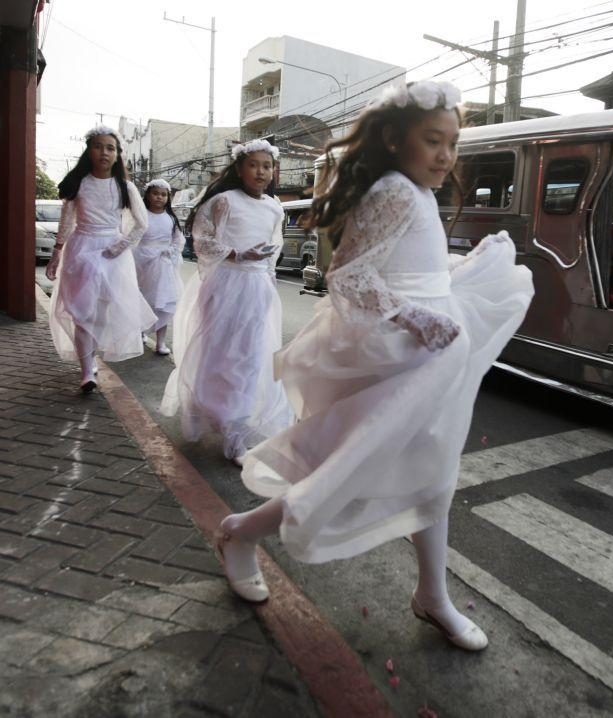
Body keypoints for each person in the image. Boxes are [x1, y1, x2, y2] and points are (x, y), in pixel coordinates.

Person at [215, 80, 534, 652]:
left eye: (452, 143)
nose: (446, 156)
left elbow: (409, 271)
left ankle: (431, 596)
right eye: (433, 141)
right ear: (392, 139)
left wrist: (459, 268)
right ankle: (240, 533)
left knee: (430, 475)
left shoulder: (414, 190)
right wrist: (417, 318)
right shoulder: (396, 191)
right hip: (406, 357)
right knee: (356, 468)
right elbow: (349, 279)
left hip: (427, 356)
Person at [160, 140, 293, 466]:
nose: (261, 172)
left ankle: (236, 432)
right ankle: (206, 407)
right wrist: (235, 254)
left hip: (258, 288)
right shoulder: (223, 201)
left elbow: (274, 248)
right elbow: (202, 240)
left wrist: (268, 276)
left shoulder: (275, 207)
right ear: (239, 168)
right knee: (219, 353)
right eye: (253, 165)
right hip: (225, 285)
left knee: (250, 358)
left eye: (267, 166)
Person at [45, 126, 156, 393]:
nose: (104, 152)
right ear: (89, 151)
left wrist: (121, 246)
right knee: (82, 314)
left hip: (113, 255)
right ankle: (86, 372)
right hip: (81, 250)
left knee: (103, 314)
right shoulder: (78, 184)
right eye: (98, 146)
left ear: (117, 155)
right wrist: (56, 253)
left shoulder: (124, 187)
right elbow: (67, 221)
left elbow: (142, 224)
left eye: (110, 148)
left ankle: (91, 357)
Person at [134, 178, 185, 355]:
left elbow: (178, 239)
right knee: (144, 301)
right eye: (155, 193)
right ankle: (140, 330)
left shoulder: (171, 218)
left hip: (164, 266)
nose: (159, 197)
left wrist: (171, 251)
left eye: (163, 195)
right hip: (142, 263)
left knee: (163, 303)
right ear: (147, 195)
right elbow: (133, 238)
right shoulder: (141, 216)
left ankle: (160, 343)